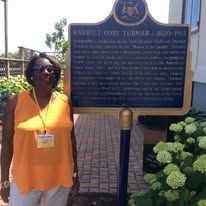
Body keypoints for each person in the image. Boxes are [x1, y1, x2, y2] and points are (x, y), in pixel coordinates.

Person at [0, 53, 79, 206]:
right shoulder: (15, 102)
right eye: (40, 68)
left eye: (51, 69)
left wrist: (75, 173)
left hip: (59, 178)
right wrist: (4, 181)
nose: (46, 72)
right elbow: (7, 144)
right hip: (25, 178)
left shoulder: (65, 102)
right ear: (31, 74)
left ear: (56, 75)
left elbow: (71, 139)